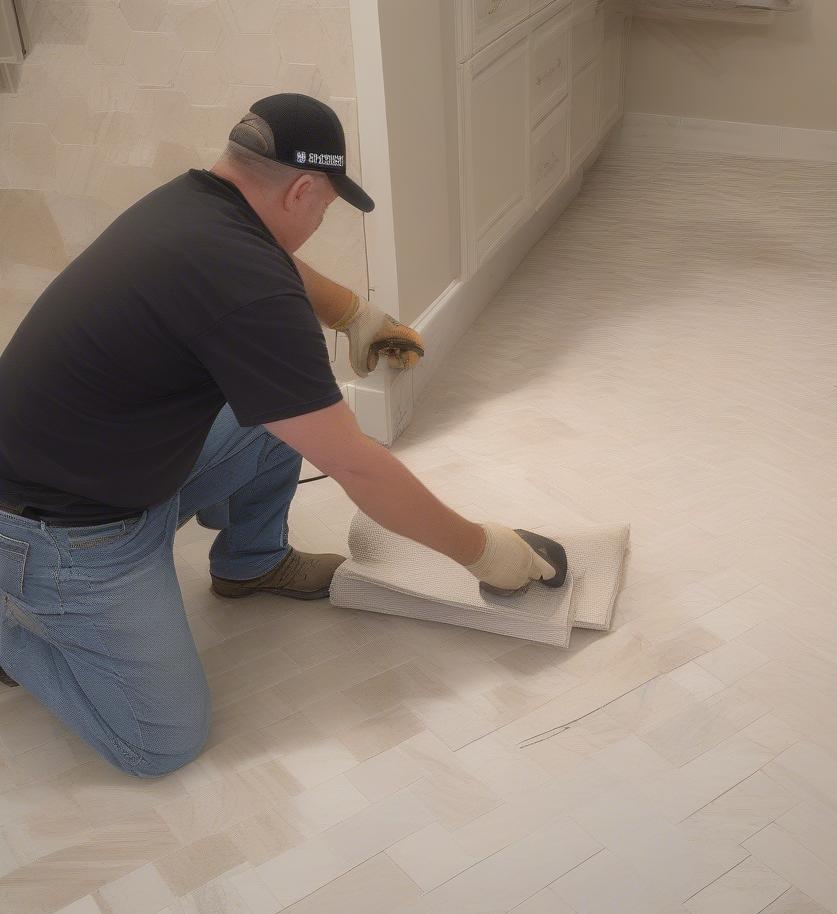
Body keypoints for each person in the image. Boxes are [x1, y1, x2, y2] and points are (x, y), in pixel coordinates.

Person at [0, 93, 554, 778]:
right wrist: (481, 551)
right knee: (159, 743)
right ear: (301, 189)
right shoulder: (248, 286)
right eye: (325, 206)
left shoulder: (193, 203)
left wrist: (353, 313)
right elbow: (357, 467)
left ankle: (249, 563)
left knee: (276, 421)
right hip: (60, 534)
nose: (321, 220)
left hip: (94, 471)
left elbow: (274, 265)